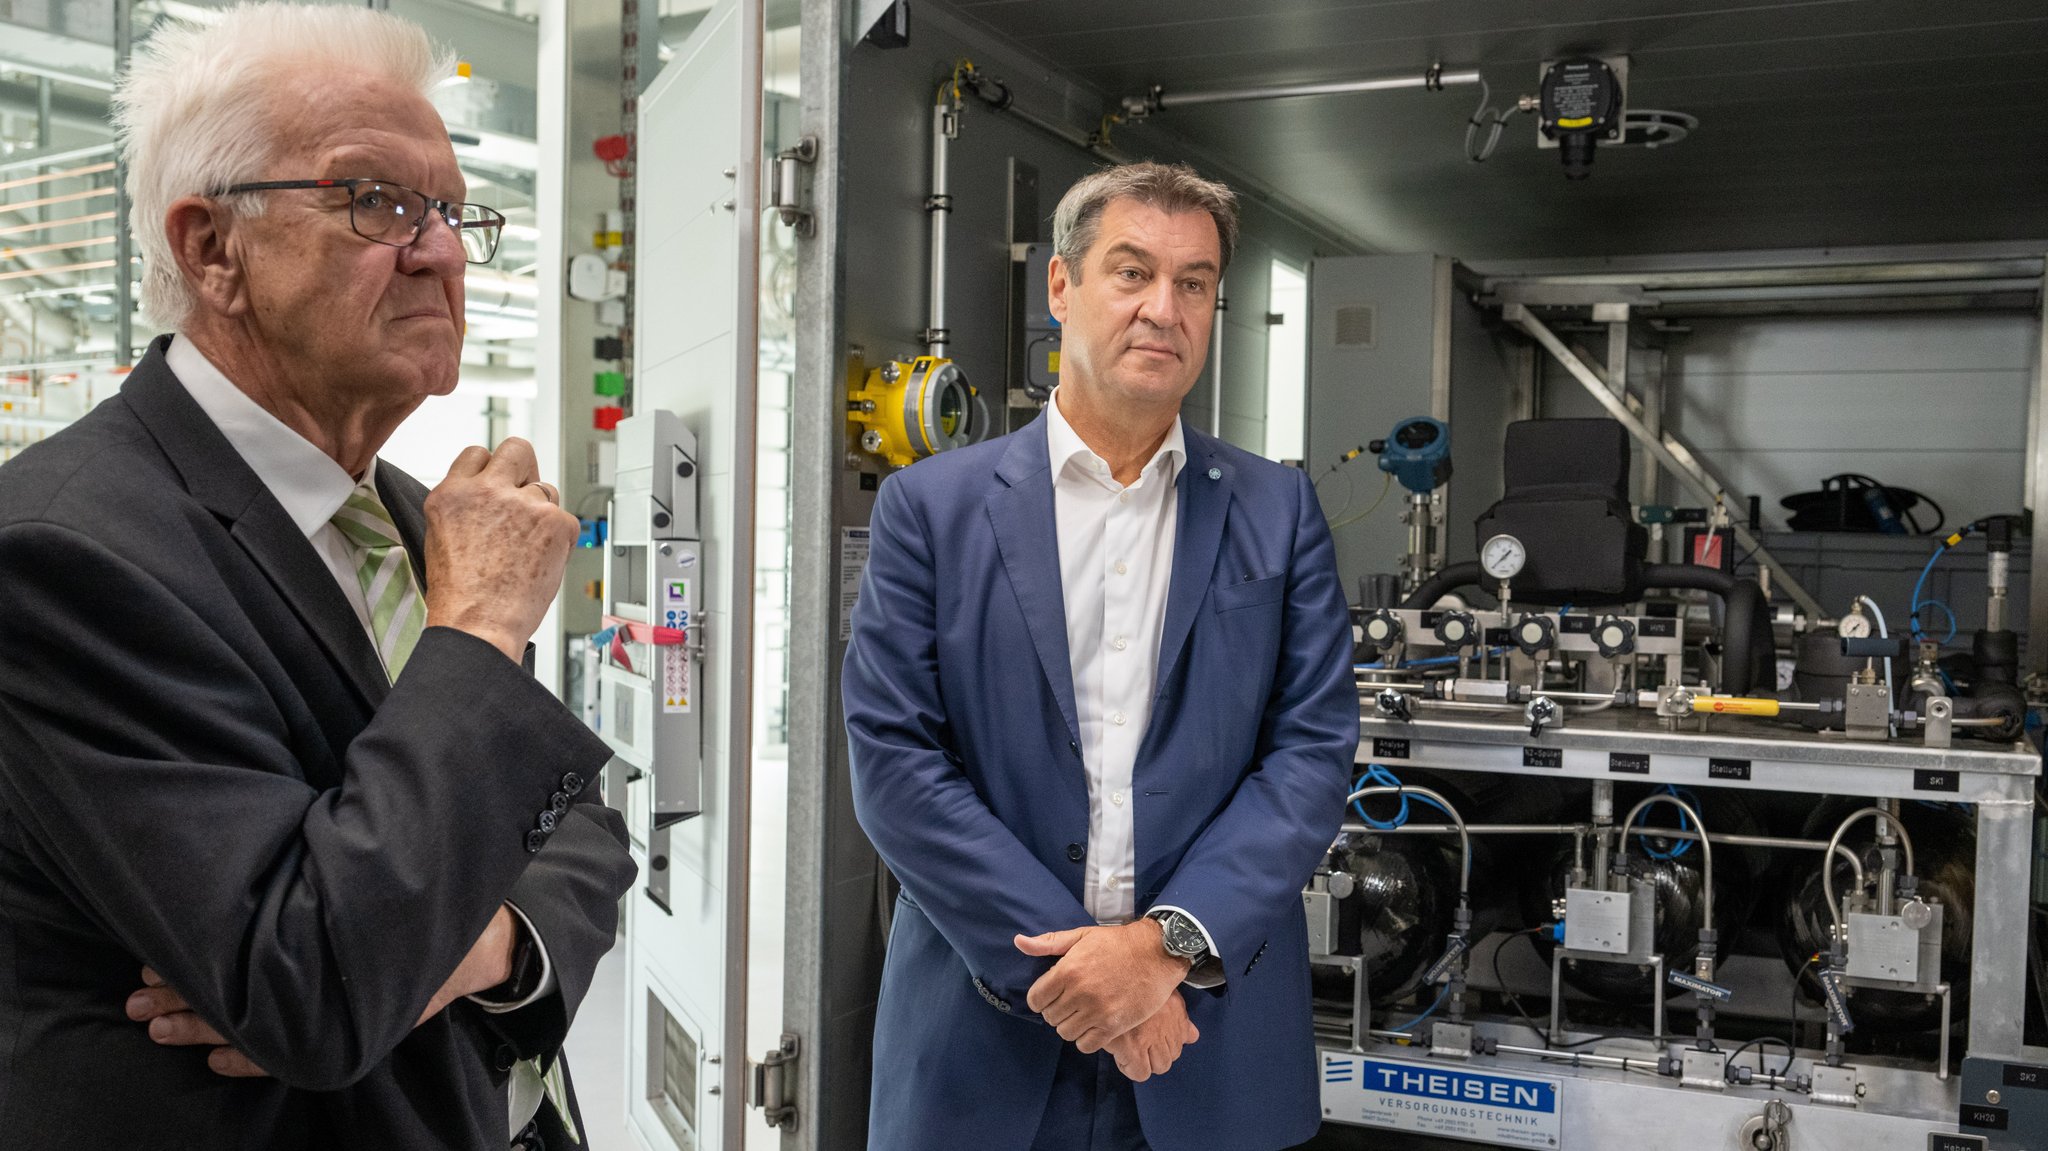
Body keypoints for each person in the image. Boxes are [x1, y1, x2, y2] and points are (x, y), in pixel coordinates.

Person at [0, 6, 634, 1149]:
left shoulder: (395, 508)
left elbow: (577, 827)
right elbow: (316, 982)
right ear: (212, 250)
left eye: (451, 210)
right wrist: (484, 625)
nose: (441, 251)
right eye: (376, 201)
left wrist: (484, 946)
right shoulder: (65, 551)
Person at [843, 161, 1359, 1150]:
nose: (1162, 308)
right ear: (1060, 286)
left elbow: (1309, 752)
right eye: (1130, 272)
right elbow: (894, 764)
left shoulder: (1275, 510)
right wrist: (1093, 978)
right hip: (980, 1046)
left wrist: (1163, 947)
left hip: (1206, 1042)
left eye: (1193, 282)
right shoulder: (929, 510)